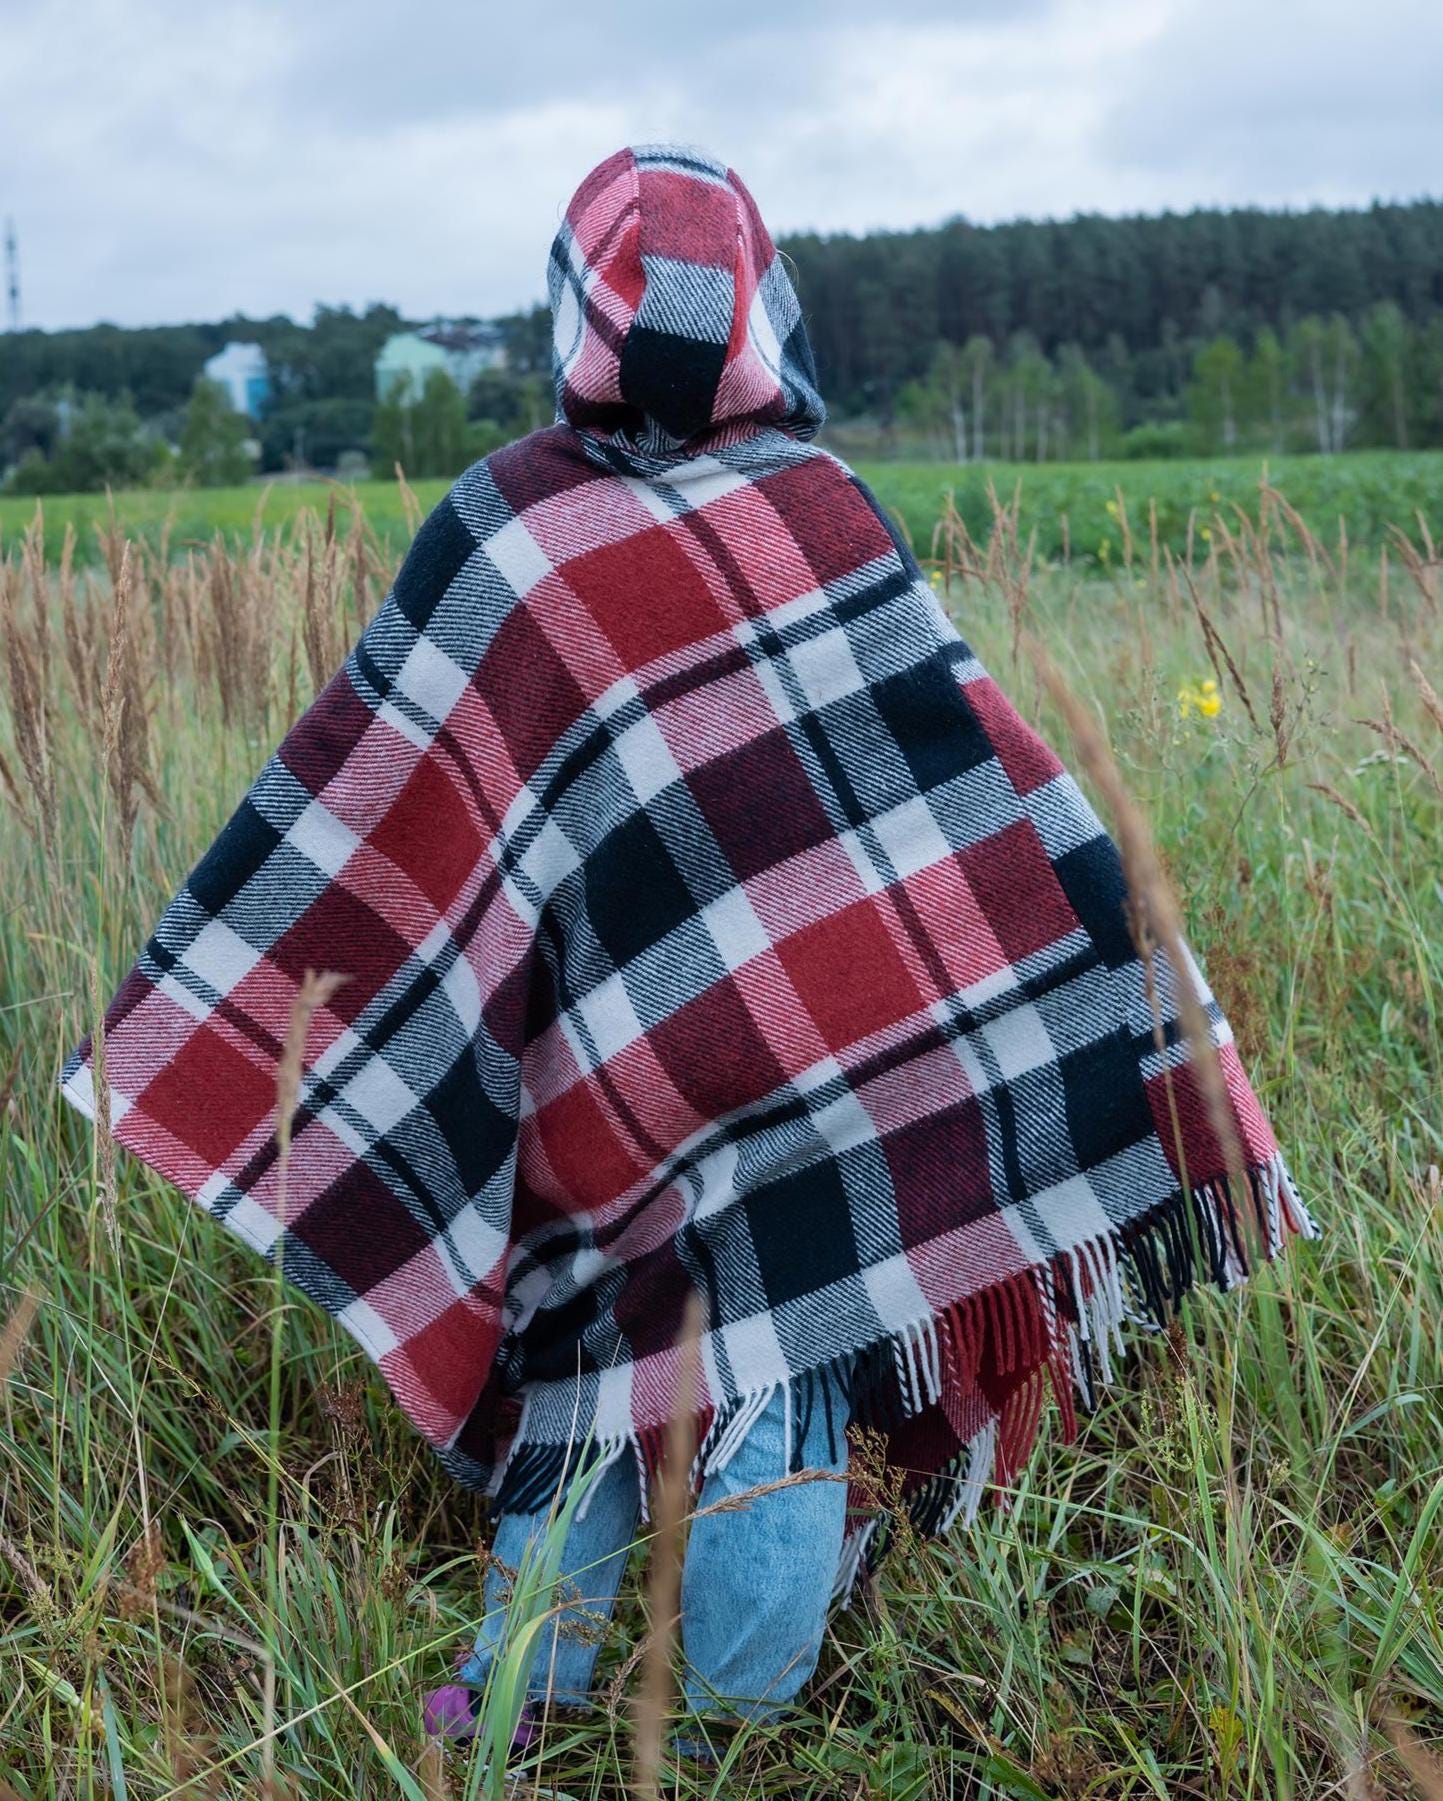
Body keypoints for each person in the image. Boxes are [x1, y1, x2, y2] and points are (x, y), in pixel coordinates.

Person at [61, 144, 1315, 1769]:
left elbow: (381, 828)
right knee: (765, 1398)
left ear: (572, 311)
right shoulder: (819, 501)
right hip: (808, 1100)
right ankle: (708, 1713)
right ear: (766, 309)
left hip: (611, 1103)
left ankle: (526, 1701)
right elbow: (988, 806)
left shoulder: (507, 526)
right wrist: (1134, 988)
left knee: (597, 1389)